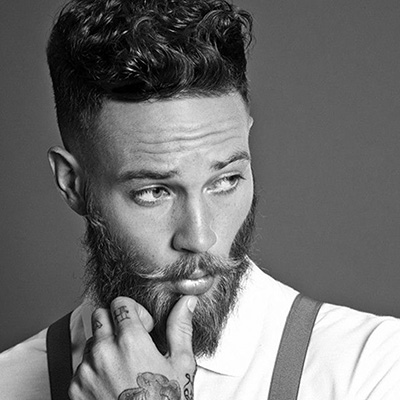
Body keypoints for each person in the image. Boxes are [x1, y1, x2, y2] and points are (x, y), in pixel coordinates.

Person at [1, 0, 400, 399]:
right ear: (72, 183)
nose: (200, 237)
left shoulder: (372, 368)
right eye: (153, 192)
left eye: (225, 181)